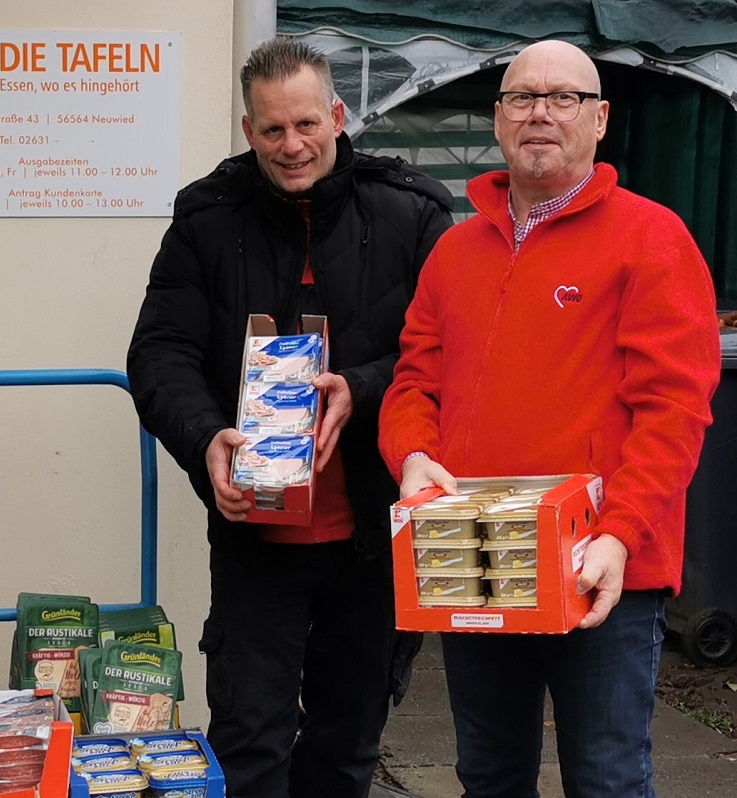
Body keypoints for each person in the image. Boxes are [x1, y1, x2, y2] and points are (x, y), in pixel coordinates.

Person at [377, 40, 720, 798]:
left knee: (605, 779)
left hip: (601, 570)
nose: (540, 112)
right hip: (480, 560)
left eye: (563, 97)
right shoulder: (455, 251)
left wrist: (620, 532)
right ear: (497, 119)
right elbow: (413, 380)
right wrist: (411, 454)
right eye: (521, 97)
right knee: (489, 776)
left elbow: (674, 409)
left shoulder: (652, 239)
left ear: (599, 120)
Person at [127, 38, 452, 798]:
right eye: (272, 130)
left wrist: (361, 387)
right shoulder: (207, 218)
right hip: (255, 533)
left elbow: (449, 354)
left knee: (348, 741)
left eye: (306, 123)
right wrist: (206, 439)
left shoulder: (413, 213)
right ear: (249, 132)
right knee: (248, 740)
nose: (292, 145)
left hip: (373, 532)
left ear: (337, 116)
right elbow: (159, 354)